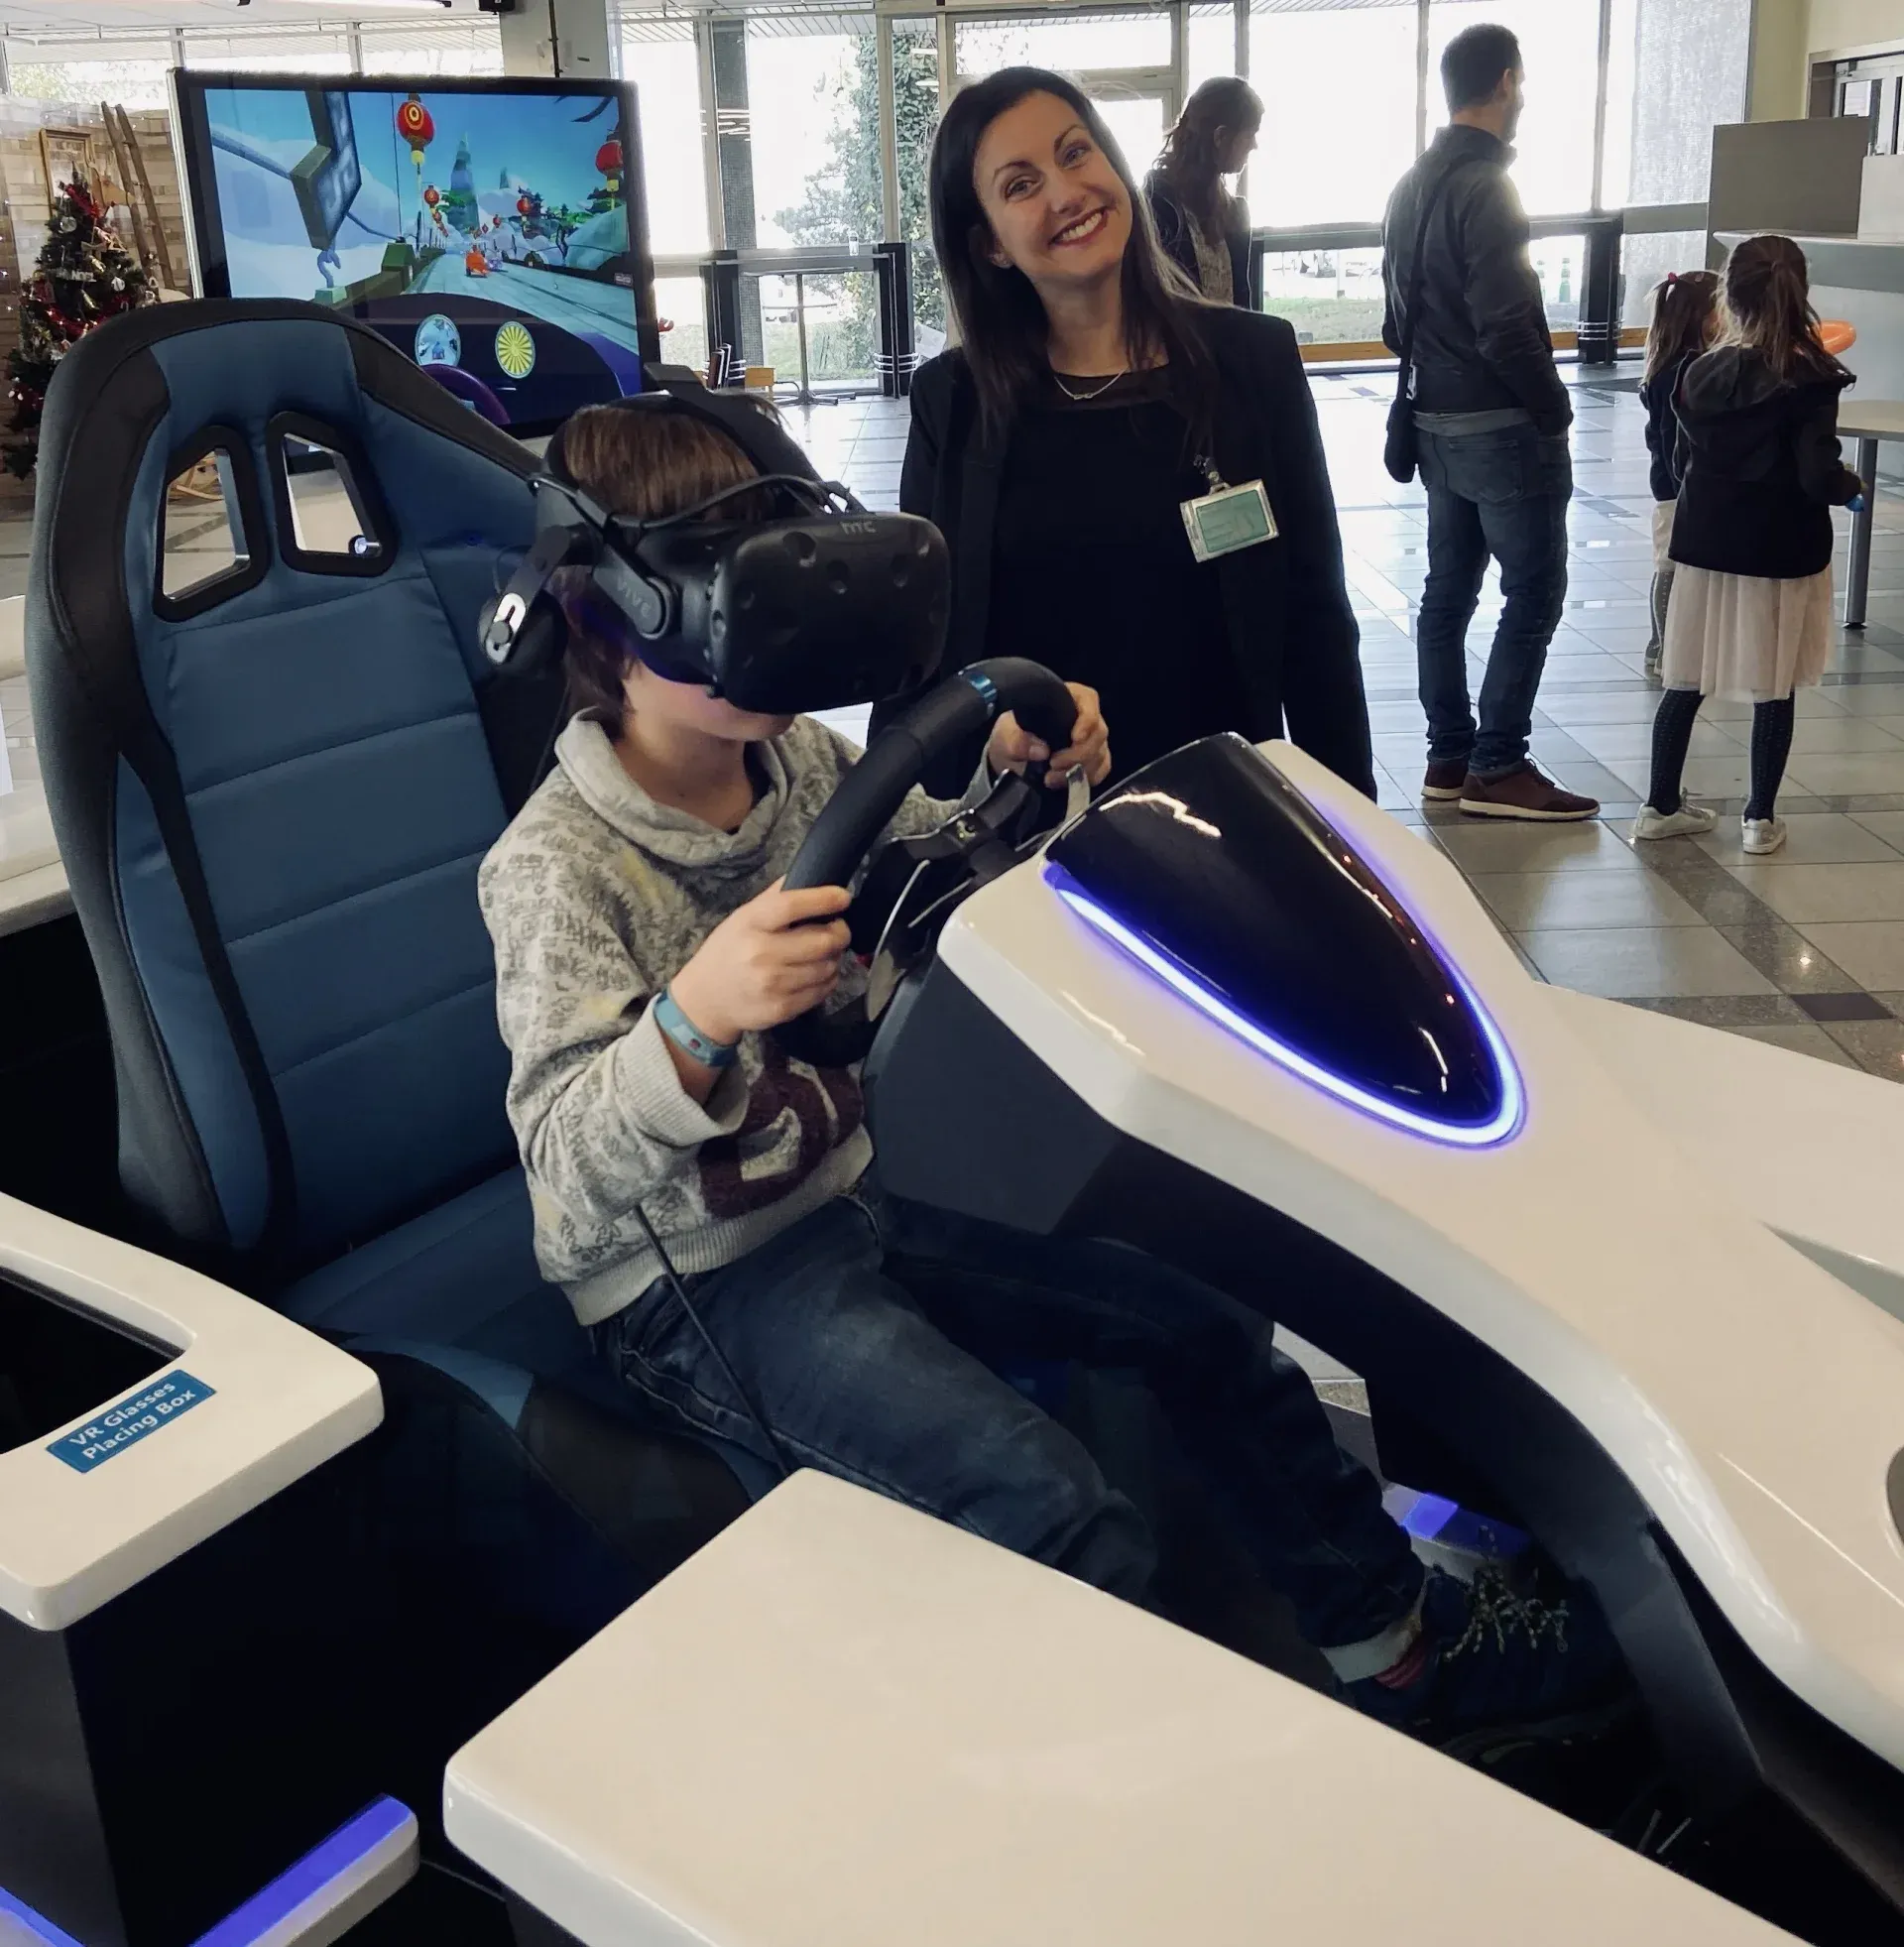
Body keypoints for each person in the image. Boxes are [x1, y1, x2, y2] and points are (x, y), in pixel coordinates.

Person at [478, 397, 1631, 1761]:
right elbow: (562, 1170)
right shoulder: (555, 870)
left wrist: (1033, 769)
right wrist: (693, 1018)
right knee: (1052, 1503)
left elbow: (927, 849)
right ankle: (1128, 1814)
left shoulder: (791, 758)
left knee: (1207, 1318)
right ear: (609, 624)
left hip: (859, 1191)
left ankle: (1393, 1648)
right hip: (702, 1281)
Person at [885, 67, 1374, 800]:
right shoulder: (952, 401)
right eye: (1021, 185)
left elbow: (1318, 630)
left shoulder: (1253, 364)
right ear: (990, 244)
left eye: (1076, 153)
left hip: (1223, 813)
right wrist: (986, 747)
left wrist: (1352, 841)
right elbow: (919, 661)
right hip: (1033, 838)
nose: (1066, 192)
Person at [1380, 24, 1593, 822]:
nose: (1524, 98)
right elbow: (1506, 324)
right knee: (1533, 590)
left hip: (1435, 420)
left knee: (1447, 592)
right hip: (1502, 425)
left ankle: (1449, 756)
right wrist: (1553, 408)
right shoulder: (1490, 191)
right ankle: (1500, 766)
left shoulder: (1409, 186)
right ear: (1504, 82)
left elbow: (1398, 322)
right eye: (1523, 84)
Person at [1633, 235, 1864, 856]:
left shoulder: (1697, 372)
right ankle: (1760, 820)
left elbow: (1683, 465)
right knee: (1775, 684)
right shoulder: (1811, 374)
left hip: (1705, 543)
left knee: (1684, 678)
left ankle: (1659, 805)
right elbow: (1817, 474)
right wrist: (1853, 488)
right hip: (1781, 549)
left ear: (1729, 296)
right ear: (1802, 292)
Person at [1638, 270, 1721, 673]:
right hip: (1678, 488)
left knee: (1674, 563)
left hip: (1675, 486)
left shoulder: (1670, 363)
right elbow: (1675, 440)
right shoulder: (1686, 370)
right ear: (1704, 316)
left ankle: (1669, 647)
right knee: (1670, 566)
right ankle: (1664, 649)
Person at [1144, 76, 1261, 306]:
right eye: (1249, 134)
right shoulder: (1157, 202)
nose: (1254, 145)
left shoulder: (1234, 210)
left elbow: (1242, 304)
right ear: (1220, 137)